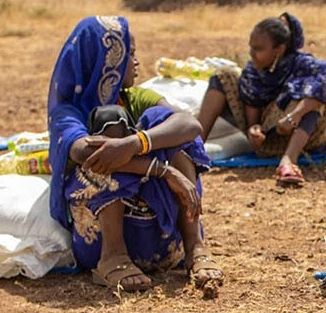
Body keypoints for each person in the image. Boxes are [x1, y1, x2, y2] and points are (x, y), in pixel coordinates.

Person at [47, 15, 221, 293]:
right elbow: (84, 152)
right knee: (108, 126)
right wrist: (161, 169)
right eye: (130, 54)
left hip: (163, 238)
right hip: (101, 238)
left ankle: (194, 246)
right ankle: (113, 256)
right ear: (106, 61)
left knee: (165, 125)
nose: (137, 63)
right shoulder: (68, 112)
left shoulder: (136, 97)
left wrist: (136, 143)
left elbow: (190, 125)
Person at [196, 12, 326, 186]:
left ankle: (289, 161)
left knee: (314, 91)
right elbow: (253, 109)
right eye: (251, 47)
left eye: (259, 49)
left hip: (307, 138)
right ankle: (194, 150)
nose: (252, 53)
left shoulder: (301, 65)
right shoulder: (253, 72)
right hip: (269, 142)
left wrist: (296, 115)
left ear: (280, 49)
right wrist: (254, 129)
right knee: (223, 74)